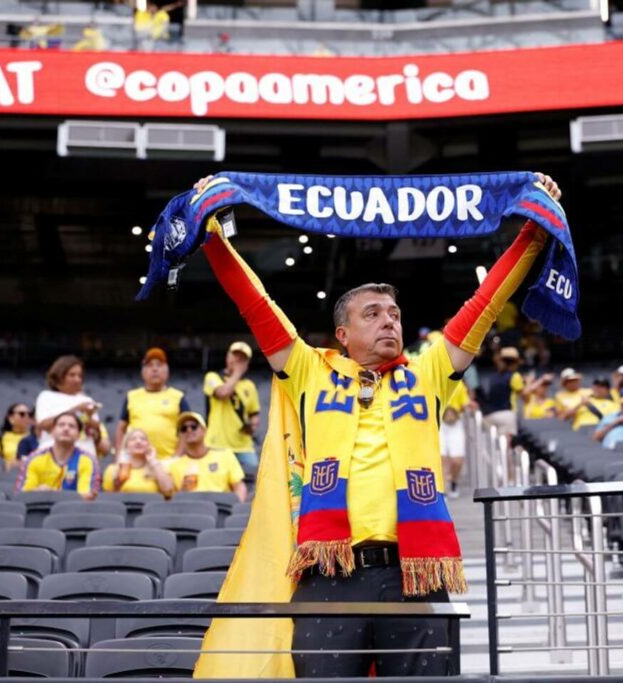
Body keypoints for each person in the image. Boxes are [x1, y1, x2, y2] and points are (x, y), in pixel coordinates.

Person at [193, 170, 562, 677]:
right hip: (328, 574)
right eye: (373, 313)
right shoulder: (307, 369)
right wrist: (209, 232)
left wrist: (534, 234)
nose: (390, 320)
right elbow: (256, 304)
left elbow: (486, 304)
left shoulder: (429, 371)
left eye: (394, 312)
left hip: (413, 573)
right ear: (343, 333)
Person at [116, 347, 190, 459]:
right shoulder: (132, 396)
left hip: (168, 461)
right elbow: (121, 428)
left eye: (159, 365)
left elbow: (188, 429)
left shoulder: (178, 397)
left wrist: (177, 457)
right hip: (137, 463)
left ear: (167, 371)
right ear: (143, 372)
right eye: (150, 365)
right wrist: (119, 456)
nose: (155, 369)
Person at [35, 355, 108, 458]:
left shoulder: (86, 400)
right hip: (51, 458)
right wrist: (77, 410)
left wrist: (88, 418)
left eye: (80, 376)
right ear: (59, 376)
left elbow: (96, 428)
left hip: (84, 457)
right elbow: (44, 424)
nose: (77, 379)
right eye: (72, 375)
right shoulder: (46, 397)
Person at [16, 412, 101, 500]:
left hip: (74, 512)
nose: (66, 428)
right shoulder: (34, 459)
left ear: (78, 435)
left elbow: (86, 497)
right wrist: (38, 492)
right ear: (52, 432)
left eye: (72, 426)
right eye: (61, 425)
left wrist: (52, 494)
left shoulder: (88, 460)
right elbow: (22, 496)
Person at [203, 341, 261, 470]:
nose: (237, 361)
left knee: (254, 478)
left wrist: (252, 424)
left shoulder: (249, 386)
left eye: (242, 359)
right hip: (217, 444)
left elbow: (254, 413)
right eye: (235, 356)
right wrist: (237, 373)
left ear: (247, 364)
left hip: (243, 445)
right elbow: (223, 392)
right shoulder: (212, 377)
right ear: (227, 357)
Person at [169, 412, 247, 502]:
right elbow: (172, 499)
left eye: (194, 426)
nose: (189, 430)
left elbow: (239, 486)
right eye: (183, 429)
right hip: (191, 510)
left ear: (204, 431)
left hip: (222, 508)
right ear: (179, 435)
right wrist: (183, 492)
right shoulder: (174, 466)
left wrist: (237, 505)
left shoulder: (225, 456)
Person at [103, 428, 175, 496]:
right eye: (133, 439)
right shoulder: (112, 470)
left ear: (148, 446)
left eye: (143, 439)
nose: (138, 441)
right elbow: (109, 500)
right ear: (126, 447)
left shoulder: (160, 468)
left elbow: (169, 491)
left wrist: (153, 461)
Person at [481, 346, 524, 444]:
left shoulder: (493, 377)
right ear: (514, 363)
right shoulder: (514, 376)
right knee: (505, 448)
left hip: (489, 416)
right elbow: (523, 393)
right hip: (506, 415)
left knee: (493, 447)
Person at [440, 383, 469, 499]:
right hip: (440, 424)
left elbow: (465, 403)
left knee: (457, 460)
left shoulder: (459, 385)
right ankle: (443, 488)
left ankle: (453, 481)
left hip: (455, 424)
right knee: (441, 459)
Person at [0, 402, 36, 469]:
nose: (26, 417)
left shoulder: (34, 438)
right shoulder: (1, 437)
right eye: (22, 414)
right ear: (11, 418)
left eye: (29, 414)